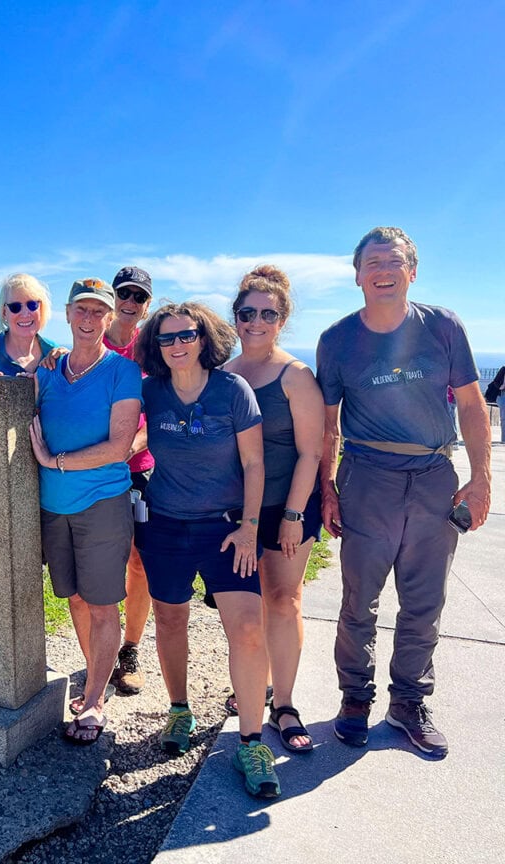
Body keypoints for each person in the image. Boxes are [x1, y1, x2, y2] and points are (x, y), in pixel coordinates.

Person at [318, 226, 491, 759]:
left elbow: (470, 402)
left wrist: (482, 477)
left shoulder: (442, 326)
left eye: (394, 260)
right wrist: (327, 486)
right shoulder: (337, 339)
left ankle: (409, 702)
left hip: (435, 477)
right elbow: (329, 424)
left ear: (412, 272)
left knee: (424, 602)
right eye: (372, 261)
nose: (383, 269)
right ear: (357, 275)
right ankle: (354, 701)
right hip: (367, 477)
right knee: (358, 601)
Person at [135, 301, 281, 799]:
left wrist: (248, 528)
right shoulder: (150, 391)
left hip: (226, 530)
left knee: (246, 628)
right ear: (156, 345)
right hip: (165, 525)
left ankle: (252, 741)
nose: (177, 345)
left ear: (204, 338)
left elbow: (255, 465)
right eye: (167, 338)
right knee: (171, 620)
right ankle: (180, 710)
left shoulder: (232, 390)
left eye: (186, 335)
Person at [29, 279, 141, 745]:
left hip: (101, 504)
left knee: (101, 603)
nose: (90, 320)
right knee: (74, 599)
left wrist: (54, 462)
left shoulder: (122, 372)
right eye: (82, 310)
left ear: (110, 319)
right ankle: (95, 674)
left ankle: (95, 698)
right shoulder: (48, 370)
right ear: (69, 315)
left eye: (99, 312)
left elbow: (119, 447)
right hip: (52, 506)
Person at [222, 266, 324, 752]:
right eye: (247, 313)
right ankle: (253, 687)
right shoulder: (225, 374)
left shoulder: (296, 376)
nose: (256, 321)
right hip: (239, 512)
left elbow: (312, 451)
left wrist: (294, 514)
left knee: (283, 600)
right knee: (249, 606)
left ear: (281, 319)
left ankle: (283, 703)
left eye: (268, 313)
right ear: (236, 318)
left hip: (288, 507)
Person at [104, 266, 155, 695]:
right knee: (101, 563)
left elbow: (163, 408)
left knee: (139, 563)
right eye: (125, 294)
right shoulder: (89, 341)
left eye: (139, 297)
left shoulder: (154, 349)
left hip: (141, 469)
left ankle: (130, 649)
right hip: (97, 471)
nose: (131, 303)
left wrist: (132, 445)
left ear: (147, 305)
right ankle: (99, 649)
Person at [0, 274, 57, 374]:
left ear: (41, 308)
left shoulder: (54, 354)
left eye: (32, 305)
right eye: (15, 307)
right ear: (4, 312)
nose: (25, 314)